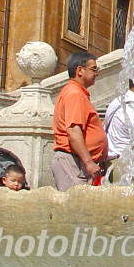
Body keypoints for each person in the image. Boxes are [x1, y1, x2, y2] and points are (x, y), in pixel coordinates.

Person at [51, 52, 106, 190]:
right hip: (72, 162)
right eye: (93, 69)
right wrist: (88, 162)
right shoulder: (75, 94)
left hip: (77, 161)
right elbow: (74, 131)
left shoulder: (78, 93)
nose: (97, 73)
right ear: (80, 70)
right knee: (74, 207)